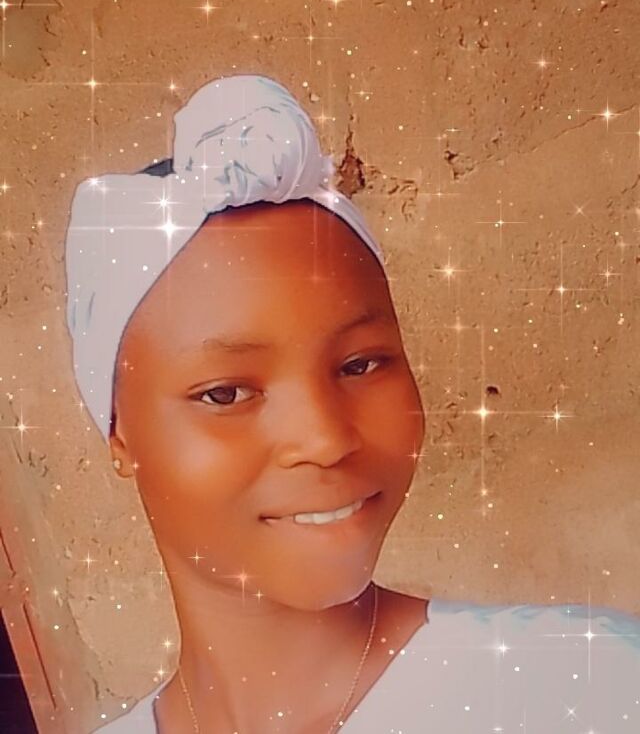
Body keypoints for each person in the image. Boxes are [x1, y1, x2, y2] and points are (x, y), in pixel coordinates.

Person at [64, 75, 640, 733]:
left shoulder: (583, 689)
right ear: (120, 435)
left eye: (359, 365)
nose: (325, 438)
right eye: (225, 393)